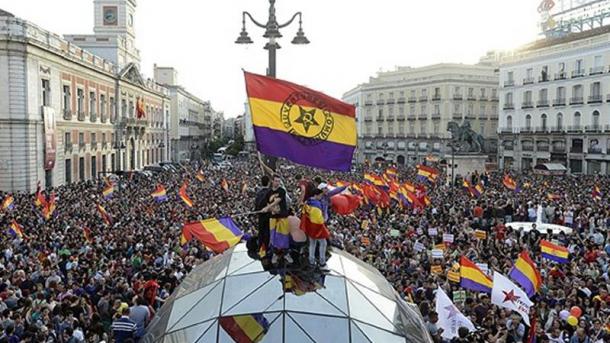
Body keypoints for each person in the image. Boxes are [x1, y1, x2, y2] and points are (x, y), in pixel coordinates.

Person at [262, 174, 292, 265]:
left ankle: (286, 254)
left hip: (283, 217)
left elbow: (277, 201)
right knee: (273, 237)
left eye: (279, 181)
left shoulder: (281, 191)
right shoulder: (268, 193)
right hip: (273, 218)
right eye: (276, 181)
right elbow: (268, 203)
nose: (277, 183)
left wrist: (268, 208)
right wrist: (270, 209)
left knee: (284, 237)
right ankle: (275, 254)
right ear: (272, 181)